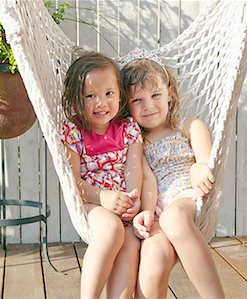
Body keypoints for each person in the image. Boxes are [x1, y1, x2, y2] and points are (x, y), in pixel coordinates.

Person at [119, 49, 225, 299]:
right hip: (154, 211)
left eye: (155, 94)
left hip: (185, 198)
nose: (149, 105)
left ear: (170, 93)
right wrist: (145, 211)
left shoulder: (189, 127)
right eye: (138, 100)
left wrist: (198, 167)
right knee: (153, 260)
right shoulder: (134, 143)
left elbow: (207, 163)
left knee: (174, 219)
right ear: (127, 106)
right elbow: (145, 178)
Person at [61, 51, 143, 298]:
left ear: (119, 95)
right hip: (92, 204)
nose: (101, 103)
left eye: (109, 94)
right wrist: (102, 197)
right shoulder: (73, 131)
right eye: (90, 96)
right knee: (110, 229)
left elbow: (134, 166)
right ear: (76, 100)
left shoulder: (128, 128)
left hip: (123, 203)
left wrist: (134, 198)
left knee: (130, 243)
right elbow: (73, 182)